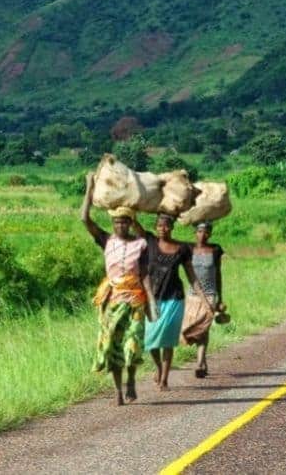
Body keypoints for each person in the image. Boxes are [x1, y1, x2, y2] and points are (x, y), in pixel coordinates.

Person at [81, 173, 156, 406]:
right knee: (112, 346)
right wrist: (89, 186)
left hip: (135, 301)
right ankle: (117, 391)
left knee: (132, 345)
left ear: (130, 222)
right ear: (113, 223)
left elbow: (144, 275)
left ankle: (131, 380)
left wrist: (151, 302)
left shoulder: (140, 245)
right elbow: (84, 219)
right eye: (117, 221)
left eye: (125, 221)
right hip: (112, 301)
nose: (120, 225)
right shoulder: (106, 240)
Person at [135, 214, 212, 391]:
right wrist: (130, 208)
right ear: (155, 228)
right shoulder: (150, 241)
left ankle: (164, 379)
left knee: (168, 341)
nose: (163, 229)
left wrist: (204, 299)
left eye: (167, 226)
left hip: (174, 300)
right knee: (150, 341)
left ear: (172, 228)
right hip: (153, 299)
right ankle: (159, 366)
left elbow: (191, 276)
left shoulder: (182, 248)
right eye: (160, 226)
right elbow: (134, 224)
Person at [181, 221, 226, 378]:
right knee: (192, 328)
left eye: (206, 231)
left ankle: (199, 362)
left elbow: (218, 274)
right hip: (193, 296)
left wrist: (220, 298)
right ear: (195, 233)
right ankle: (203, 360)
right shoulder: (188, 249)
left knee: (204, 327)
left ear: (210, 233)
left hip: (210, 295)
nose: (203, 234)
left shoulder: (215, 250)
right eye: (200, 231)